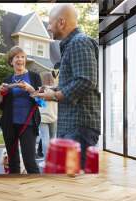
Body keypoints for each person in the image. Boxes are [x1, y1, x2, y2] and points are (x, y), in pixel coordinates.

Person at [33, 4, 100, 169]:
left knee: (76, 185)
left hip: (79, 127)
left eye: (50, 22)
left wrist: (55, 96)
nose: (48, 27)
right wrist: (51, 90)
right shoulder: (71, 45)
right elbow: (74, 83)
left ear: (61, 22)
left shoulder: (79, 42)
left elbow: (86, 80)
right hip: (71, 126)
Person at [0, 46, 41, 174]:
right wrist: (1, 93)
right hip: (9, 124)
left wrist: (30, 89)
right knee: (13, 162)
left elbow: (41, 102)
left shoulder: (34, 77)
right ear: (11, 61)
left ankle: (37, 189)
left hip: (28, 124)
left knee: (29, 161)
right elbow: (2, 106)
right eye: (17, 57)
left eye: (22, 57)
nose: (20, 60)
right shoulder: (7, 80)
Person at [37, 71, 58, 167]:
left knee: (45, 138)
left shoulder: (40, 90)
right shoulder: (56, 90)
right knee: (53, 138)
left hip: (43, 117)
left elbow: (38, 103)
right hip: (54, 116)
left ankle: (46, 161)